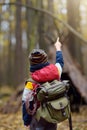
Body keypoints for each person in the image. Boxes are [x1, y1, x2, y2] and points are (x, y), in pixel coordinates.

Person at [22, 37, 64, 130]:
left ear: (31, 64)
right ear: (45, 60)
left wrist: (26, 121)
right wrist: (58, 48)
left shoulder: (31, 82)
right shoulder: (56, 71)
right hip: (53, 114)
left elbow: (26, 102)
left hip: (37, 118)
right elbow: (60, 62)